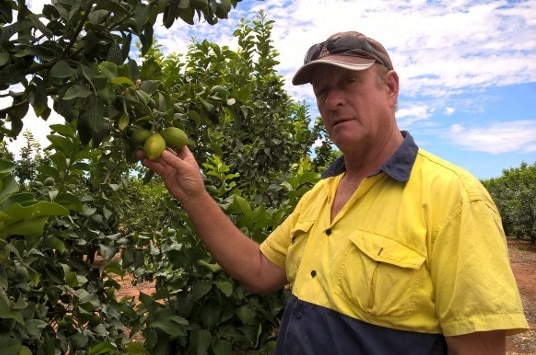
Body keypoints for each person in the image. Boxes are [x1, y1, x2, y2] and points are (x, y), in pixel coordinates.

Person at [139, 31, 529, 354]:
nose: (333, 100)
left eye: (349, 81)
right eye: (322, 91)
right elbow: (259, 271)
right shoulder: (320, 195)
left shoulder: (454, 197)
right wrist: (194, 195)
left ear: (390, 88)